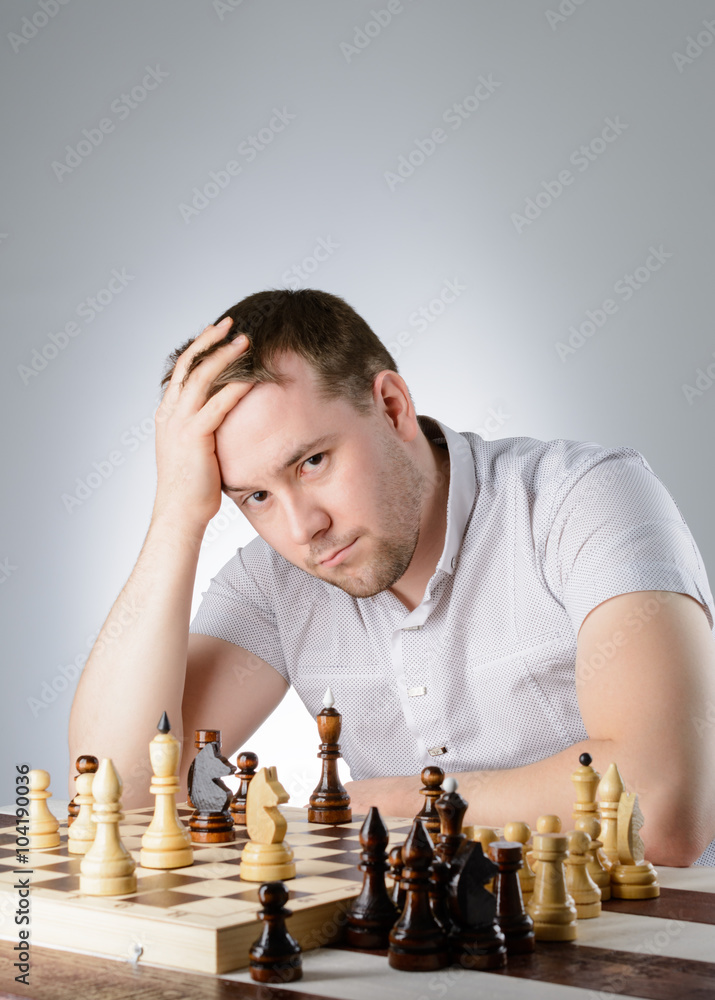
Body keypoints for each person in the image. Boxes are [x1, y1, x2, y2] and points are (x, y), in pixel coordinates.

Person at [68, 288, 715, 866]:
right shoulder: (273, 582)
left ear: (391, 406)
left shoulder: (581, 499)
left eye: (312, 462)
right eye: (255, 497)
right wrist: (175, 517)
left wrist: (391, 802)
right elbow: (113, 801)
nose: (303, 527)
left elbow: (663, 810)